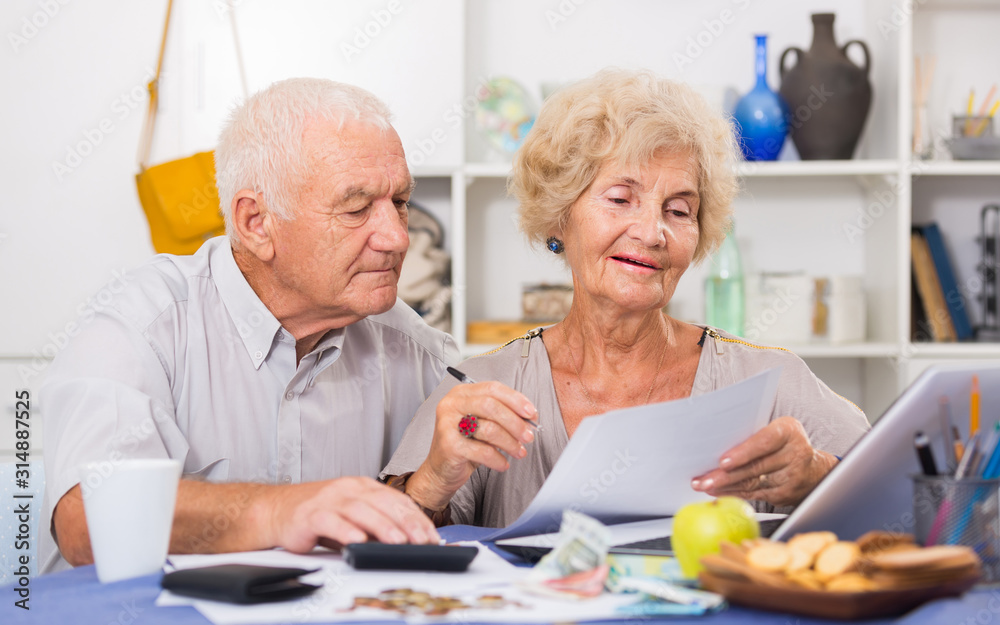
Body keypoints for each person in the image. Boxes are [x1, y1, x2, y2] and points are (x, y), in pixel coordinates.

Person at [380, 68, 871, 528]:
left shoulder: (768, 383)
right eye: (620, 199)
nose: (653, 232)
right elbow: (385, 557)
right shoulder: (483, 390)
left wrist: (819, 476)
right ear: (559, 216)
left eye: (679, 210)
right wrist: (432, 482)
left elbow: (903, 496)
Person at [40, 78, 457, 572]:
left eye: (400, 203)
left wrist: (429, 485)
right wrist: (284, 510)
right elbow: (88, 522)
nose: (397, 238)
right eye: (356, 208)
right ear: (256, 223)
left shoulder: (416, 350)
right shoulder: (140, 325)